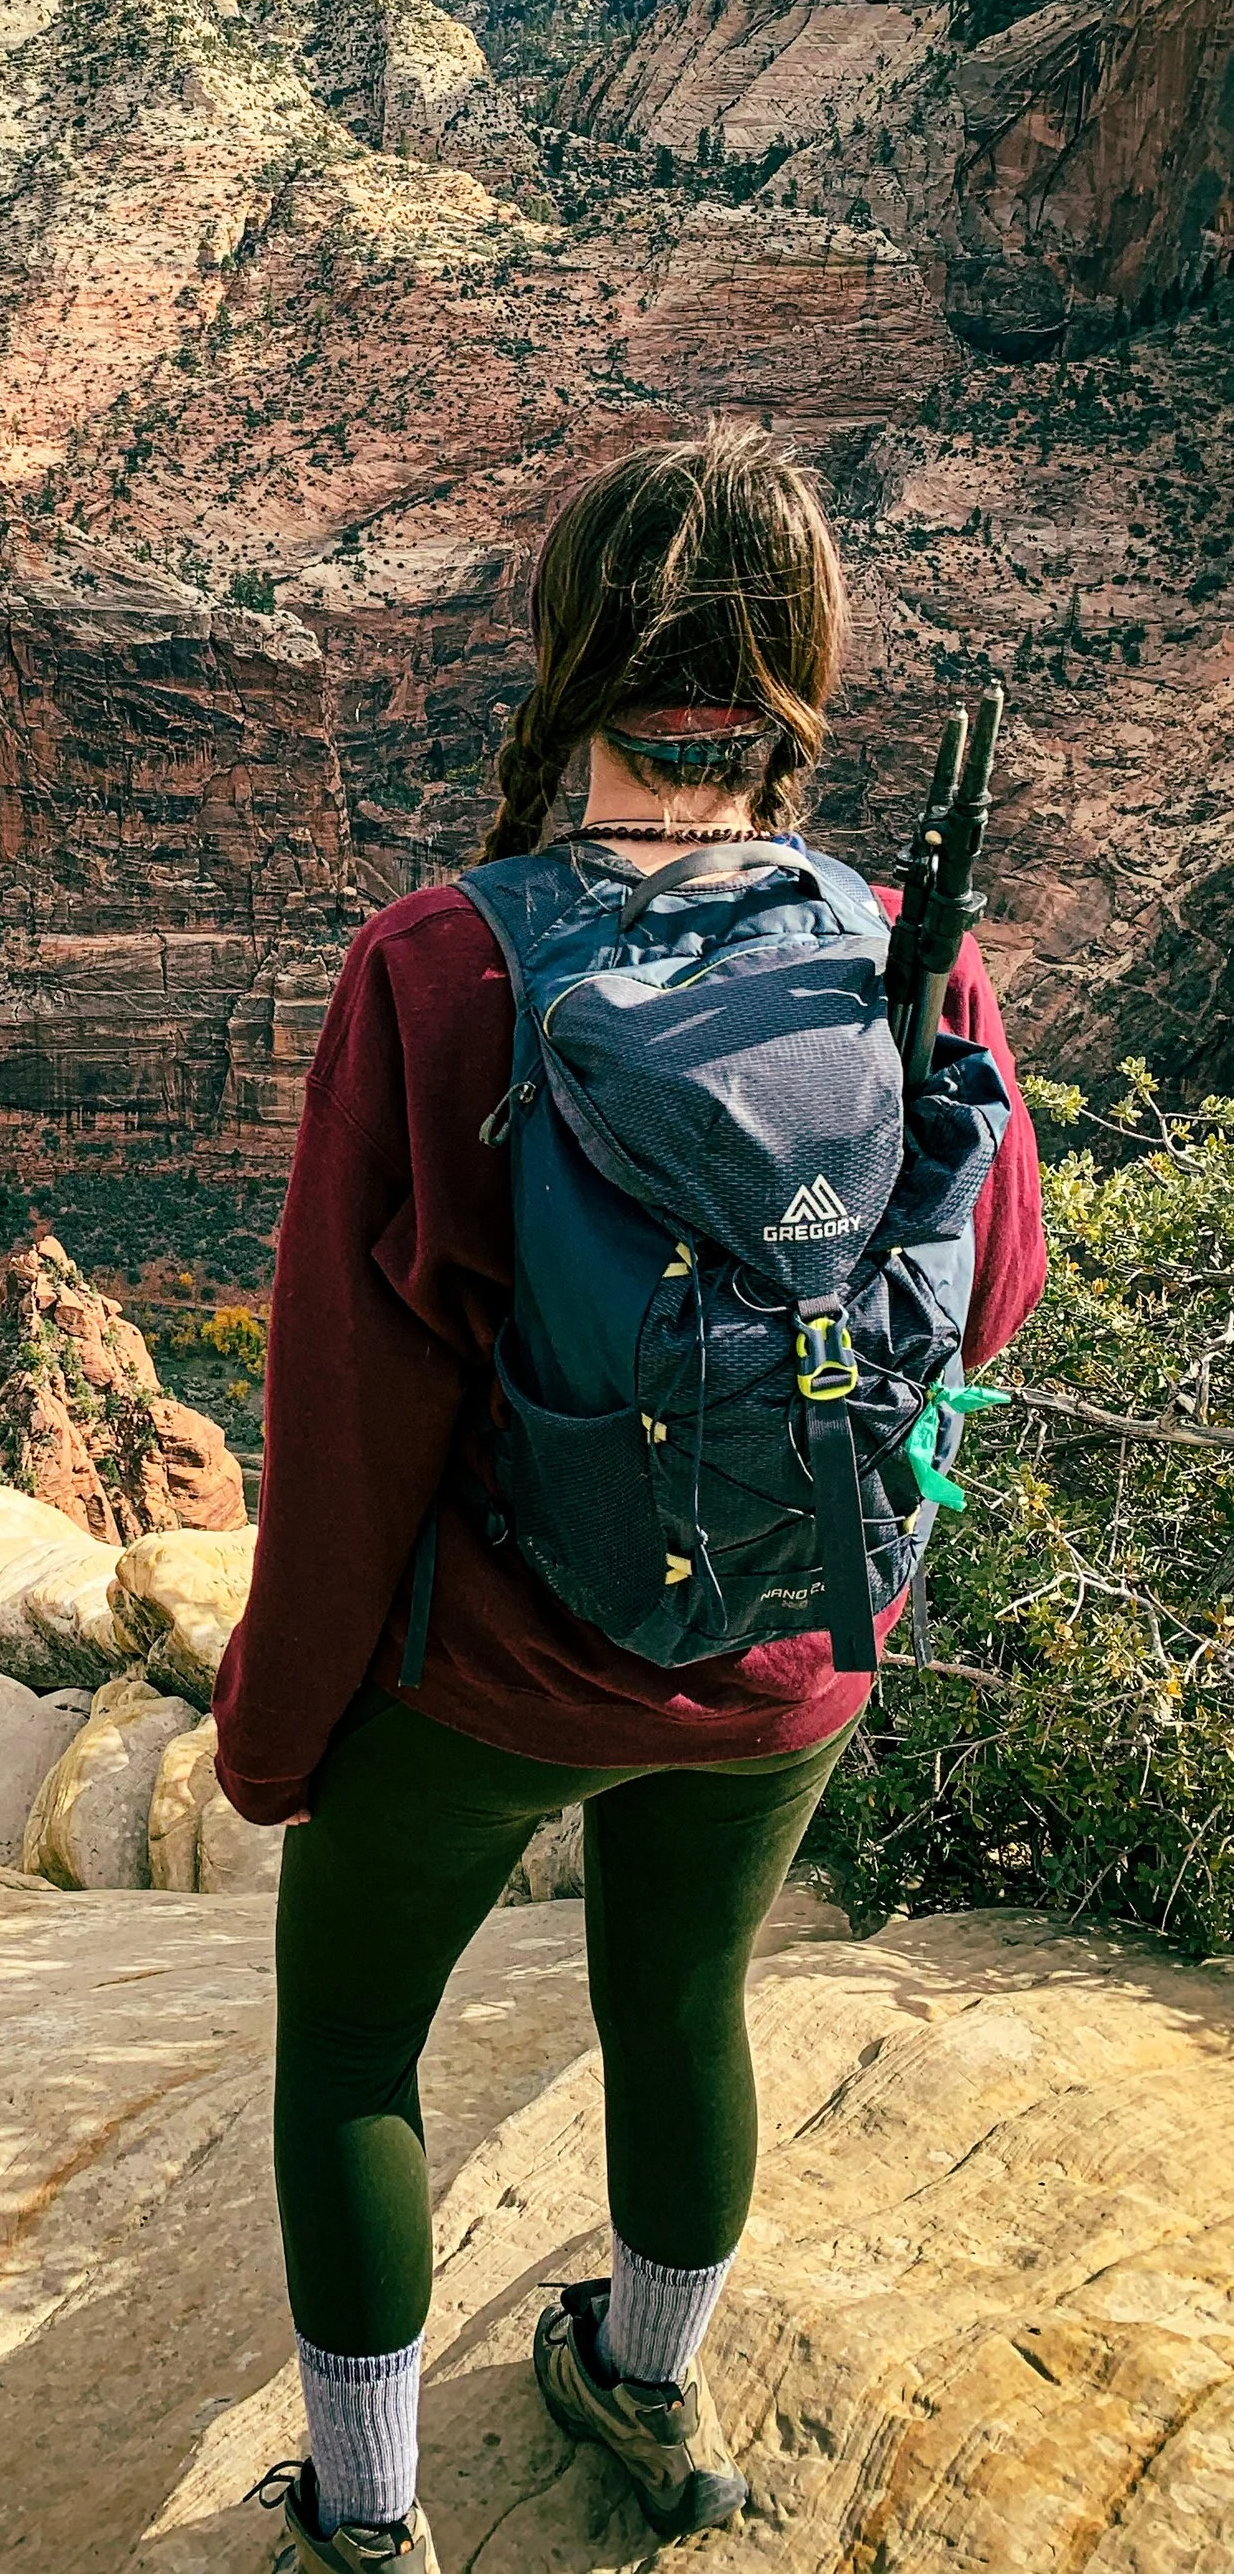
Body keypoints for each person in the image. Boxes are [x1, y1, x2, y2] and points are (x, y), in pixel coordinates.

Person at [214, 432, 1046, 2573]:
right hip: (787, 1650)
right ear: (801, 671)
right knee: (681, 2007)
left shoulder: (439, 963)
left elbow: (345, 1405)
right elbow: (992, 1290)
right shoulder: (894, 945)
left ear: (560, 653)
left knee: (349, 2068)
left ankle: (368, 2517)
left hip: (491, 1666)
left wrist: (281, 1723)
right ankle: (646, 2382)